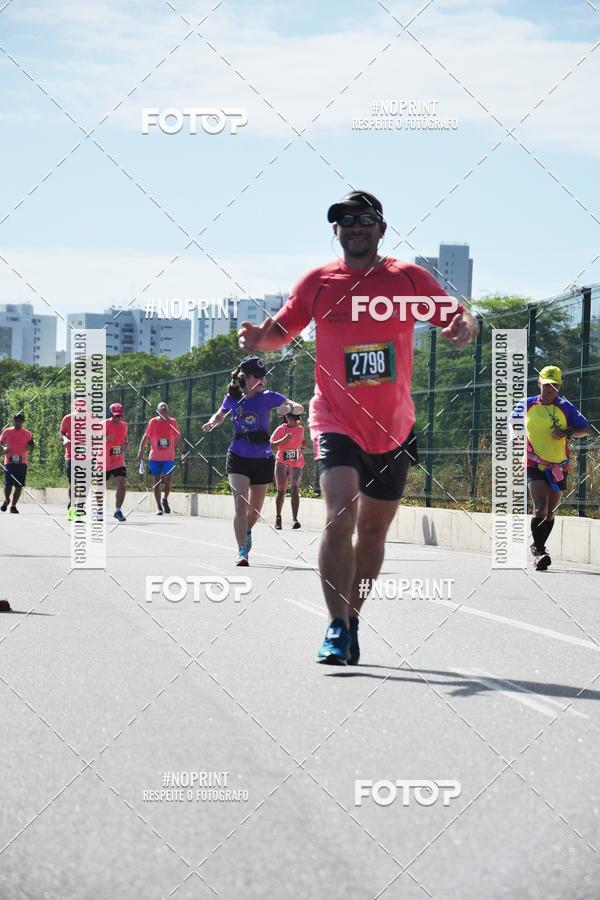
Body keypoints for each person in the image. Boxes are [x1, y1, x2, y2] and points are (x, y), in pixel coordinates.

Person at [238, 190, 479, 664]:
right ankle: (333, 625)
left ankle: (352, 619)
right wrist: (258, 339)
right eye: (345, 220)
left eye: (365, 219)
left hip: (393, 426)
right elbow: (281, 331)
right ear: (336, 231)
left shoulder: (408, 279)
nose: (355, 226)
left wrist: (464, 328)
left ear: (381, 228)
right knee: (339, 515)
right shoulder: (319, 281)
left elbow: (459, 318)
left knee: (372, 534)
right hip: (335, 419)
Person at [202, 356, 303, 565]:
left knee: (255, 510)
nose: (262, 381)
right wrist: (212, 423)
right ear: (245, 377)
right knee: (241, 504)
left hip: (262, 458)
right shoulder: (233, 398)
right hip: (238, 456)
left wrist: (289, 408)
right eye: (257, 377)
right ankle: (241, 552)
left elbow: (297, 407)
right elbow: (220, 415)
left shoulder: (267, 396)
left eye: (263, 377)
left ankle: (246, 530)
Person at [523, 365, 589, 570]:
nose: (549, 389)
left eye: (554, 386)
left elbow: (584, 429)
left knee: (550, 511)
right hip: (534, 462)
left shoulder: (565, 406)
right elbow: (510, 423)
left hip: (558, 466)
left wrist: (567, 431)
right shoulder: (526, 404)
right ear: (538, 383)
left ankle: (538, 546)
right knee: (539, 507)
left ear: (559, 386)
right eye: (545, 385)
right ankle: (540, 552)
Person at [137, 401, 183, 515]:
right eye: (161, 409)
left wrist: (184, 451)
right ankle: (158, 506)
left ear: (168, 411)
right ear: (158, 411)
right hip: (154, 458)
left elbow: (178, 438)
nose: (163, 410)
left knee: (168, 480)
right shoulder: (153, 422)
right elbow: (146, 437)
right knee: (156, 481)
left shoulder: (173, 422)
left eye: (165, 409)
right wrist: (140, 451)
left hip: (168, 458)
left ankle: (165, 499)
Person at [270, 412, 311, 529]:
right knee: (281, 491)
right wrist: (284, 439)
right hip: (282, 463)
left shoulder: (301, 429)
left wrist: (306, 443)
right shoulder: (280, 429)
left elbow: (304, 443)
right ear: (287, 417)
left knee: (294, 489)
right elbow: (271, 445)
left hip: (297, 463)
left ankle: (294, 520)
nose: (294, 420)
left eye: (297, 418)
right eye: (292, 417)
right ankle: (278, 518)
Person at [1, 412, 34, 514]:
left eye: (20, 421)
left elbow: (31, 446)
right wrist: (3, 448)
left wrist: (29, 447)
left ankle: (14, 506)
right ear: (13, 421)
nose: (18, 423)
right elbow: (1, 442)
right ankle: (7, 500)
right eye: (16, 421)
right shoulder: (7, 431)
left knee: (19, 486)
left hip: (22, 462)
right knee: (8, 484)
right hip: (9, 462)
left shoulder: (27, 433)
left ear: (23, 422)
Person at [105, 402, 128, 522]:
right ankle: (98, 510)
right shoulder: (104, 424)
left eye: (120, 416)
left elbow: (124, 439)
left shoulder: (124, 425)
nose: (118, 418)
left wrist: (125, 444)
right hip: (104, 460)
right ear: (111, 414)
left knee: (121, 483)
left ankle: (118, 510)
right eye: (115, 415)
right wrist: (105, 438)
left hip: (118, 459)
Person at [59, 407, 75, 520]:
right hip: (71, 456)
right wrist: (65, 439)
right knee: (73, 482)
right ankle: (73, 506)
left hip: (87, 456)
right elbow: (61, 433)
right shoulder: (68, 418)